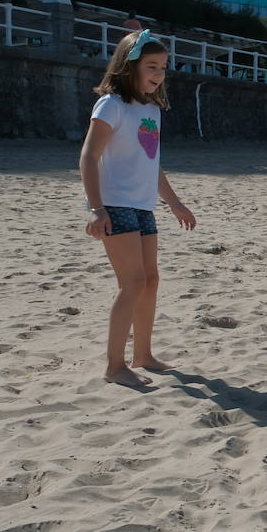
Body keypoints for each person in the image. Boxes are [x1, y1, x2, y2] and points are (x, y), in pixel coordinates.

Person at [79, 29, 196, 388]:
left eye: (163, 67)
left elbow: (152, 163)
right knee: (131, 283)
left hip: (143, 206)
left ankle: (142, 355)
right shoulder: (111, 104)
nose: (159, 74)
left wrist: (175, 203)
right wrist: (96, 209)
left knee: (151, 280)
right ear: (129, 66)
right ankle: (114, 366)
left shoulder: (151, 108)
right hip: (115, 204)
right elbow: (89, 156)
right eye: (151, 66)